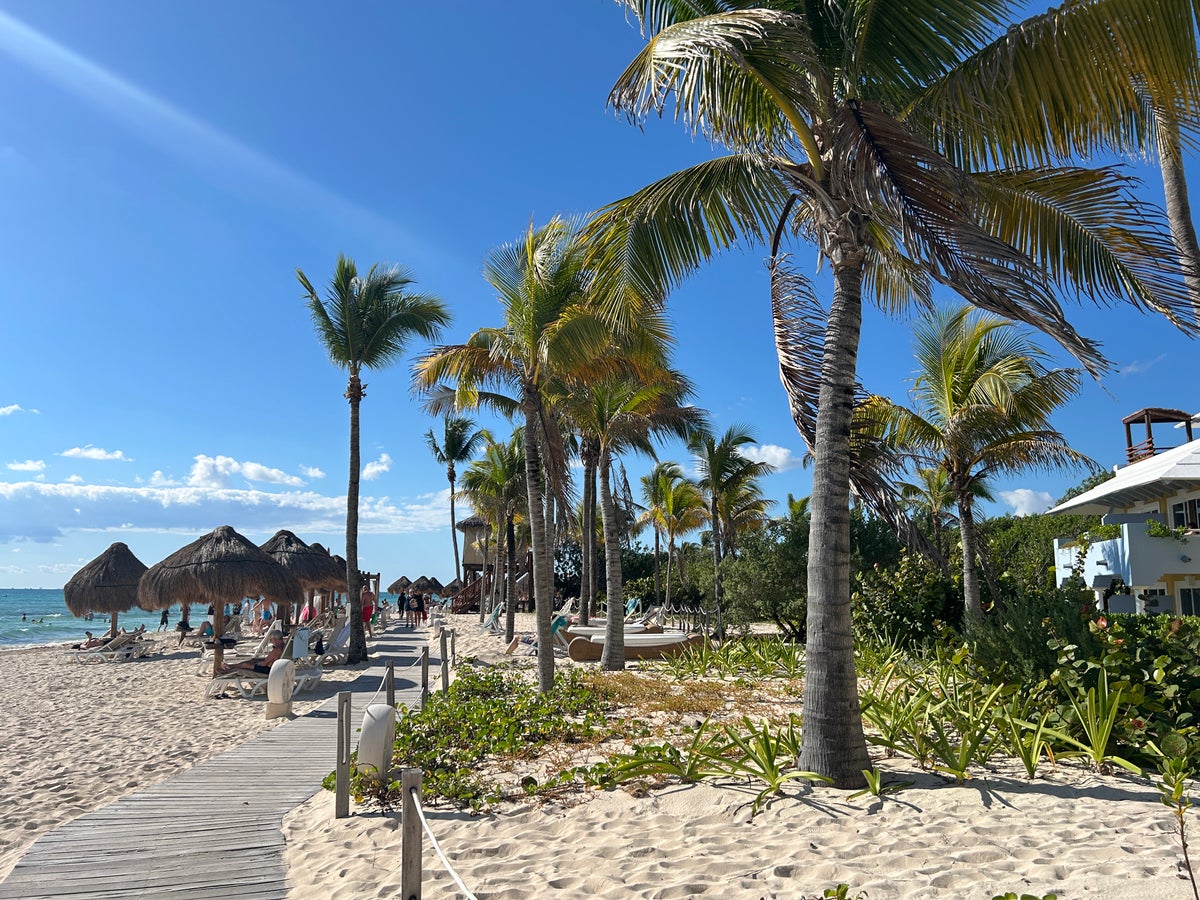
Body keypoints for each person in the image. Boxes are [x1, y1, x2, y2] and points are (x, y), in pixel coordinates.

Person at [218, 635, 285, 675]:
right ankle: (229, 666)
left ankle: (226, 671)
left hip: (267, 670)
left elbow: (264, 664)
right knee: (251, 661)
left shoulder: (276, 650)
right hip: (272, 668)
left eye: (271, 640)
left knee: (245, 665)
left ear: (275, 639)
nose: (271, 641)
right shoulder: (283, 647)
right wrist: (256, 660)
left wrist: (256, 663)